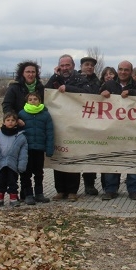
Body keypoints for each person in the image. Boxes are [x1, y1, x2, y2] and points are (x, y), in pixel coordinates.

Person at [45, 54, 92, 202]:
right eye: (62, 66)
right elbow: (45, 93)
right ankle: (60, 190)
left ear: (73, 66)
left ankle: (72, 191)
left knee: (72, 158)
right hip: (58, 125)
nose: (65, 68)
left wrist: (68, 88)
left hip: (75, 124)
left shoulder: (80, 79)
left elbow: (89, 94)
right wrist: (54, 76)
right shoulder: (55, 79)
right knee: (59, 157)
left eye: (68, 65)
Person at [99, 60, 136, 201]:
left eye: (126, 70)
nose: (123, 72)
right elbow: (94, 99)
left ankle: (133, 190)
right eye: (120, 69)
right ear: (117, 70)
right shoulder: (109, 84)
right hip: (113, 129)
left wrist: (132, 93)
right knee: (112, 159)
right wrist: (101, 93)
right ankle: (110, 190)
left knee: (133, 159)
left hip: (133, 129)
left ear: (131, 72)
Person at [17, 92, 54, 205]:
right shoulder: (22, 114)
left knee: (38, 173)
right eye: (30, 99)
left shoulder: (45, 114)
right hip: (26, 149)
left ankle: (39, 193)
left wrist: (49, 149)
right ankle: (28, 194)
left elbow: (50, 132)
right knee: (26, 173)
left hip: (39, 148)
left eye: (35, 99)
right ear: (27, 101)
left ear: (40, 101)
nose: (33, 101)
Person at [0, 112, 28, 207]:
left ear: (16, 122)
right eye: (8, 120)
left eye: (13, 120)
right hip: (0, 163)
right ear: (4, 122)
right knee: (0, 181)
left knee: (12, 181)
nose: (10, 122)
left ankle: (13, 198)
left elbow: (23, 153)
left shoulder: (20, 137)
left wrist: (21, 165)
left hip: (13, 164)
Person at [79, 56, 102, 196]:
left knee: (91, 155)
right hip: (76, 122)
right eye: (86, 64)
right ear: (81, 66)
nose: (89, 67)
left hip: (92, 123)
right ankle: (71, 187)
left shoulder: (97, 82)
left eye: (91, 65)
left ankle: (90, 184)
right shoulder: (74, 79)